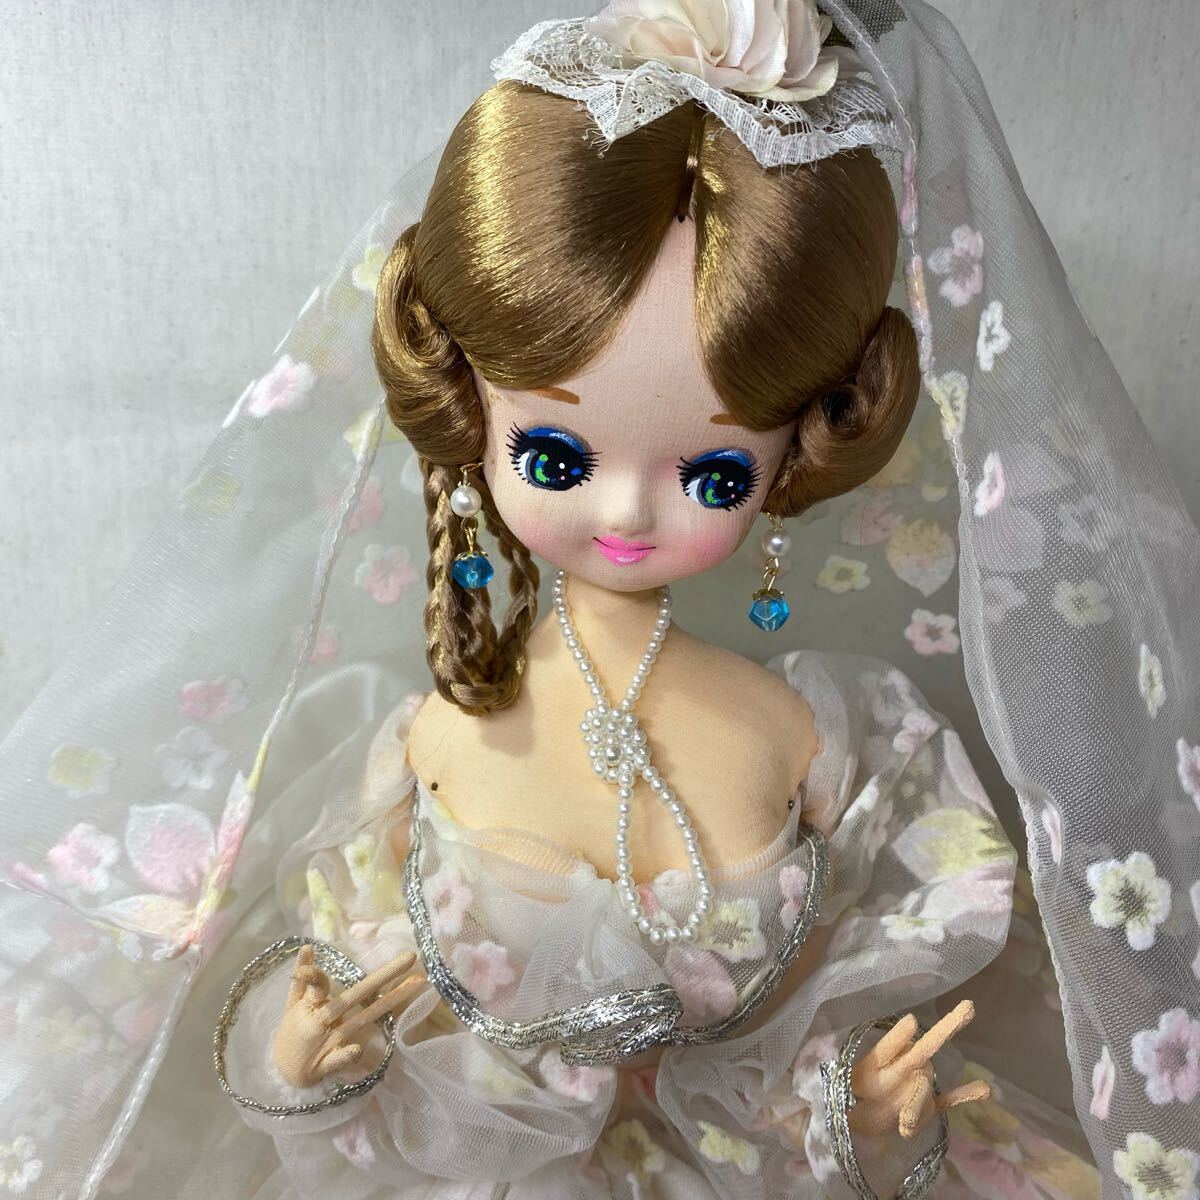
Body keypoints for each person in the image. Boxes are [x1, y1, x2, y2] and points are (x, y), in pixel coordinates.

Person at [1, 4, 1194, 1199]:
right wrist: (305, 1055)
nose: (625, 510)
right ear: (469, 408)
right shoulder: (430, 742)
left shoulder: (824, 744)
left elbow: (806, 1056)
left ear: (800, 451)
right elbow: (347, 996)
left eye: (713, 474)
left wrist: (865, 1118)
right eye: (558, 457)